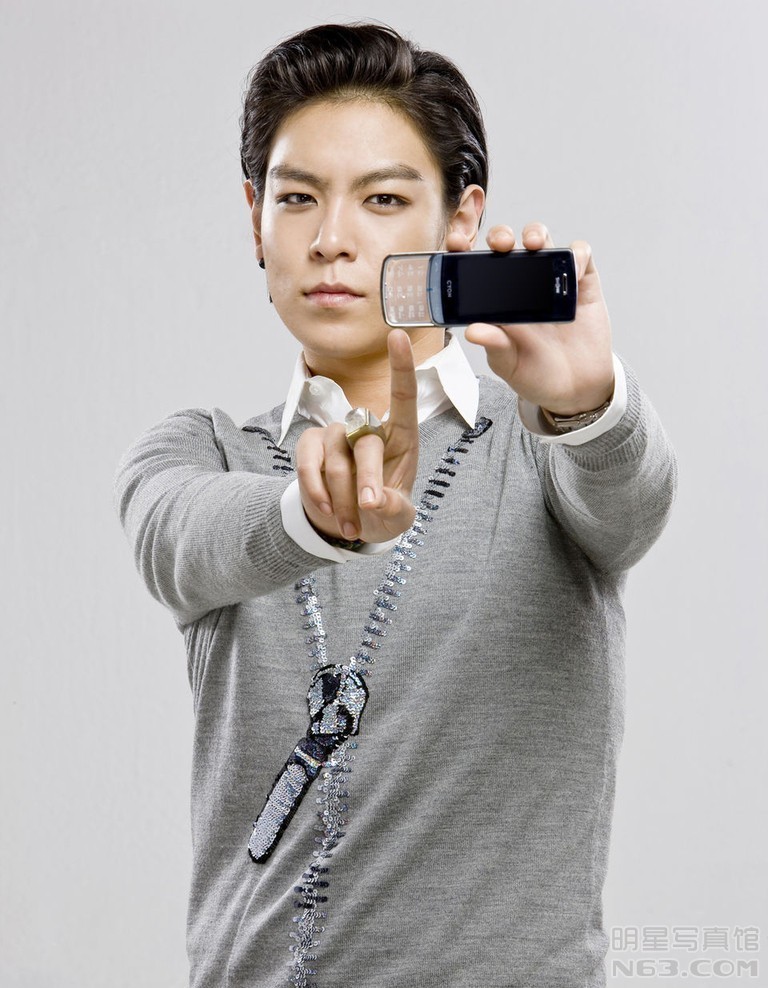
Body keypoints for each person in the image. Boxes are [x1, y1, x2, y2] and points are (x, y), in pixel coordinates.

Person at [114, 22, 677, 988]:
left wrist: (590, 407)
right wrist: (311, 515)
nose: (331, 238)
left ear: (461, 221)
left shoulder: (544, 442)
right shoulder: (206, 451)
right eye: (297, 197)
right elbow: (180, 539)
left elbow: (632, 504)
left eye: (382, 199)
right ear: (255, 219)